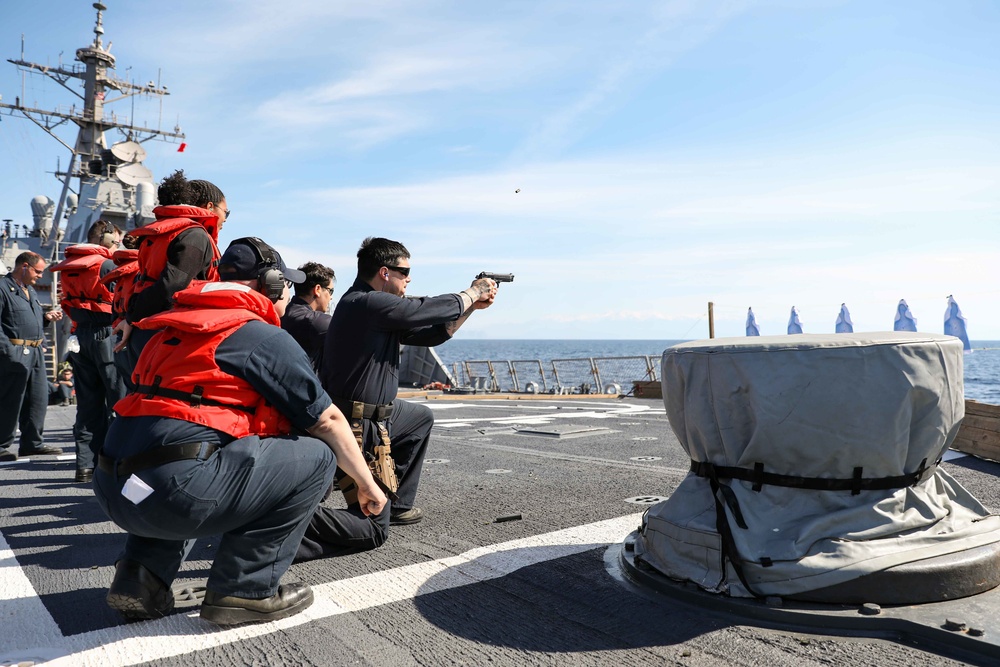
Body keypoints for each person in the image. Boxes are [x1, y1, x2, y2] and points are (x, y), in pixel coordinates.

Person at [94, 237, 386, 626]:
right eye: (285, 284)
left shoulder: (168, 330)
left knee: (183, 453)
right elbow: (327, 420)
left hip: (115, 489)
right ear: (270, 284)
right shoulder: (259, 336)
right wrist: (367, 485)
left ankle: (139, 578)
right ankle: (244, 589)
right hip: (173, 495)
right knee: (316, 456)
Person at [319, 237, 496, 531]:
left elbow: (431, 333)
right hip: (355, 422)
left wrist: (472, 306)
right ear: (385, 272)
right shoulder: (365, 302)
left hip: (378, 414)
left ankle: (398, 505)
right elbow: (421, 310)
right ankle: (292, 523)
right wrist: (471, 292)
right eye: (404, 272)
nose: (408, 278)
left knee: (419, 418)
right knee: (369, 526)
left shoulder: (377, 312)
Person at [115, 170, 230, 370]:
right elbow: (172, 285)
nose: (226, 219)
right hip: (170, 332)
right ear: (210, 207)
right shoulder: (194, 235)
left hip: (145, 325)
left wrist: (132, 317)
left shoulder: (158, 232)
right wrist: (133, 316)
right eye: (226, 212)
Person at [49, 219, 127, 483]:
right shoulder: (106, 265)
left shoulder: (70, 268)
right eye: (115, 240)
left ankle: (85, 466)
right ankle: (117, 464)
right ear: (104, 239)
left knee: (87, 405)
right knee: (119, 401)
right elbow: (122, 298)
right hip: (107, 334)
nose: (118, 245)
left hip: (80, 337)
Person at [0, 251, 64, 461]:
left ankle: (32, 443)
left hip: (36, 351)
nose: (40, 275)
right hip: (15, 352)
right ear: (24, 266)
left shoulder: (30, 291)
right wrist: (9, 352)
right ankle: (1, 444)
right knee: (11, 400)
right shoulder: (3, 288)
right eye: (38, 271)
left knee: (38, 399)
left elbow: (28, 320)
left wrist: (45, 318)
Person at [280, 261, 335, 371]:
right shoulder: (315, 321)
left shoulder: (286, 313)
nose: (331, 297)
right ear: (317, 289)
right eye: (330, 291)